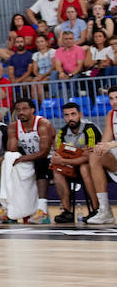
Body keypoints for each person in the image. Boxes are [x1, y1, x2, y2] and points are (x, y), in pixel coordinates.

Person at [0, 97, 55, 224]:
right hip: (30, 158)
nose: (21, 112)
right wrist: (13, 159)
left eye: (24, 109)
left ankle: (42, 211)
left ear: (32, 110)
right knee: (8, 161)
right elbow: (12, 151)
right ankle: (8, 209)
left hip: (51, 159)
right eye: (18, 110)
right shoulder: (13, 127)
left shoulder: (43, 124)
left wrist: (23, 158)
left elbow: (44, 152)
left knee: (40, 162)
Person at [50, 101, 100, 223]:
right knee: (57, 171)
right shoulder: (62, 132)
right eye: (66, 115)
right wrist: (79, 152)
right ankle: (67, 212)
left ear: (80, 114)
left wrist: (66, 158)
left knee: (84, 167)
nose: (70, 118)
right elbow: (57, 155)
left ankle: (96, 210)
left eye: (73, 114)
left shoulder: (90, 129)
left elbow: (91, 155)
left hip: (96, 167)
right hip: (71, 165)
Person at [80, 86, 117, 224]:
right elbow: (105, 141)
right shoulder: (111, 114)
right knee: (95, 154)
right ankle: (104, 210)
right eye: (111, 98)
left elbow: (110, 144)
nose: (114, 102)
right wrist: (95, 148)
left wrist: (111, 145)